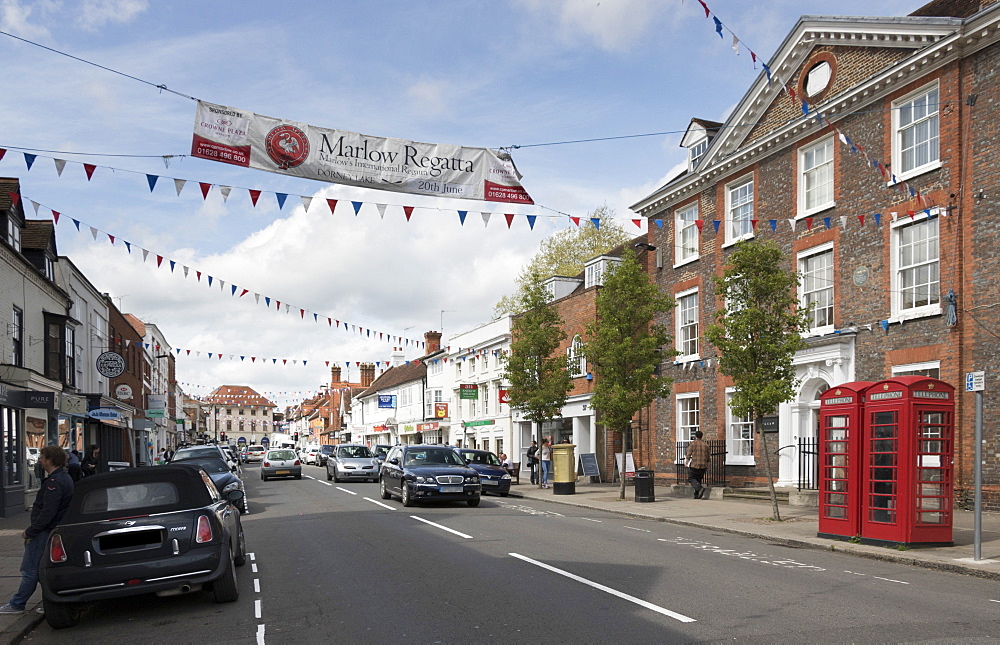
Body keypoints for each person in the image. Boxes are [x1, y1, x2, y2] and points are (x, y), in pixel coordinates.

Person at [0, 446, 74, 615]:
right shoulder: (64, 478)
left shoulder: (54, 483)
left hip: (43, 532)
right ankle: (52, 601)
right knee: (41, 571)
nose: (40, 460)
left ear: (49, 460)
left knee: (30, 570)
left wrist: (31, 531)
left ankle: (17, 604)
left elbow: (48, 511)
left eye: (42, 457)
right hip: (51, 530)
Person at [685, 430, 711, 499]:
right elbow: (708, 456)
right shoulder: (706, 445)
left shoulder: (693, 444)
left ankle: (699, 488)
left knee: (691, 478)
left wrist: (686, 461)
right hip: (703, 465)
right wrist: (708, 464)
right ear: (701, 436)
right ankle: (696, 495)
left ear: (695, 436)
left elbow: (689, 453)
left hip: (695, 464)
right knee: (698, 480)